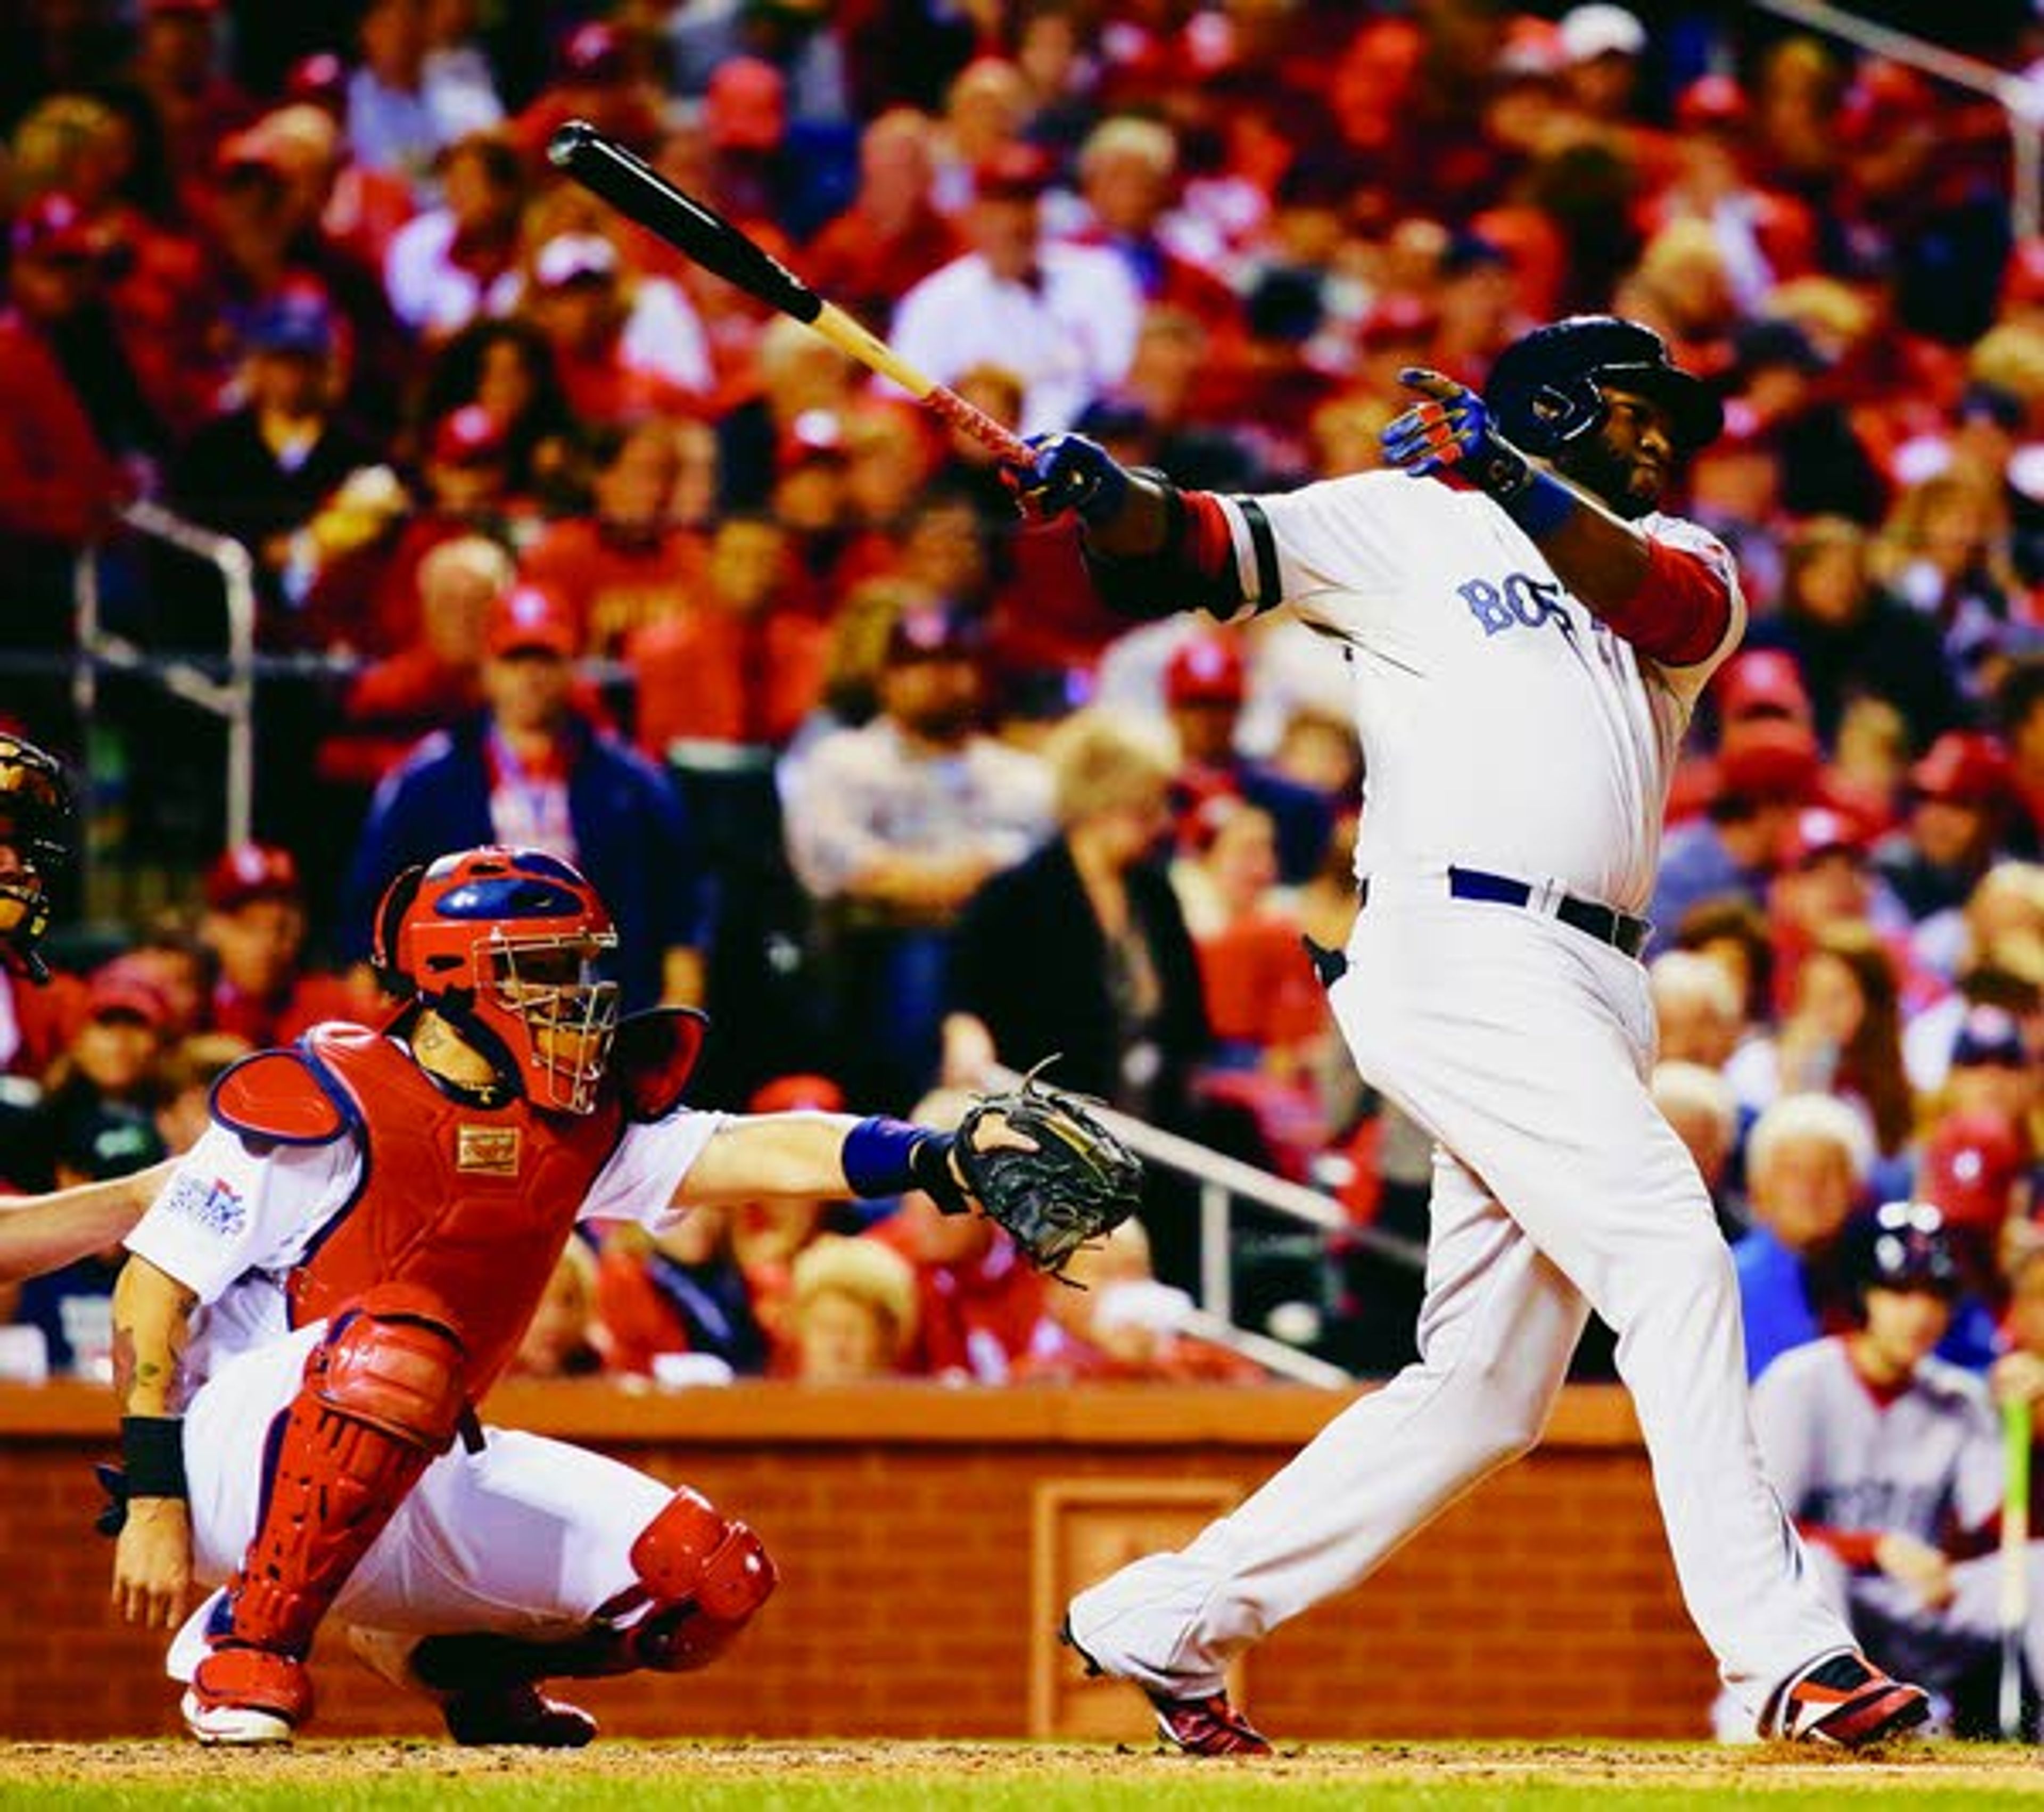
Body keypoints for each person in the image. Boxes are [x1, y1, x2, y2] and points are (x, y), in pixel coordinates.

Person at [1007, 312, 1928, 1749]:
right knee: (1676, 1260)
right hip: (1461, 942)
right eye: (1639, 404)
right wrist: (1096, 491)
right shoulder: (1399, 522)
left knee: (1488, 1389)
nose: (1666, 433)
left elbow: (1670, 608)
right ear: (1560, 403)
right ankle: (1784, 1657)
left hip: (1594, 978)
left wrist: (1514, 476)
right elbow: (1196, 541)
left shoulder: (1683, 556)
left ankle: (1169, 1614)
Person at [105, 843, 1029, 1748]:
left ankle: (463, 1667)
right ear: (452, 976)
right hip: (238, 1455)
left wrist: (931, 1154)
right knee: (404, 1345)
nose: (573, 994)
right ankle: (247, 1641)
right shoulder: (324, 1097)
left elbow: (752, 1148)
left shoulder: (574, 1119)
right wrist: (154, 1500)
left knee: (708, 1580)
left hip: (417, 1448)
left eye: (580, 965)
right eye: (541, 968)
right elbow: (150, 1292)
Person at [1744, 1202, 2044, 1739]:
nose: (1920, 1313)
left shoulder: (1961, 1396)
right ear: (1862, 1297)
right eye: (1900, 1291)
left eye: (1934, 1294)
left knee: (2040, 1567)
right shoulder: (1798, 1384)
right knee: (1818, 1562)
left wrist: (2033, 1426)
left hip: (1917, 1610)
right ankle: (1822, 1712)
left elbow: (2003, 1529)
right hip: (1823, 1624)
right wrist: (1873, 1546)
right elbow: (1758, 1535)